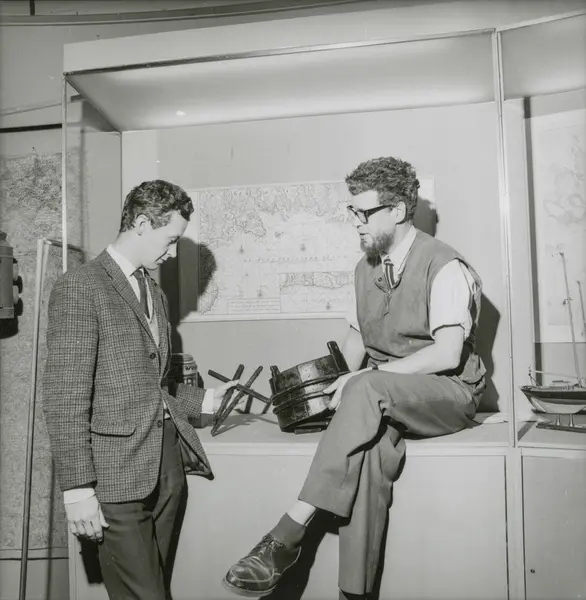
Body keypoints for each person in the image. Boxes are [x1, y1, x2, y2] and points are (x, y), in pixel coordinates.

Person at [222, 157, 486, 599]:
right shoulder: (365, 268)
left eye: (363, 213)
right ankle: (355, 593)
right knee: (368, 457)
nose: (355, 222)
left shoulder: (444, 264)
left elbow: (447, 353)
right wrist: (318, 393)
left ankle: (286, 535)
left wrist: (363, 381)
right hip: (385, 396)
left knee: (366, 385)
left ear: (397, 211)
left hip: (449, 392)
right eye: (352, 212)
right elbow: (353, 347)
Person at [43, 180, 237, 600]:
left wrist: (207, 399)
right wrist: (77, 489)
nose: (172, 253)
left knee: (155, 589)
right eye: (171, 240)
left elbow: (151, 383)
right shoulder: (81, 287)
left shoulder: (153, 291)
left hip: (165, 470)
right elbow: (64, 399)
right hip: (114, 478)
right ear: (143, 223)